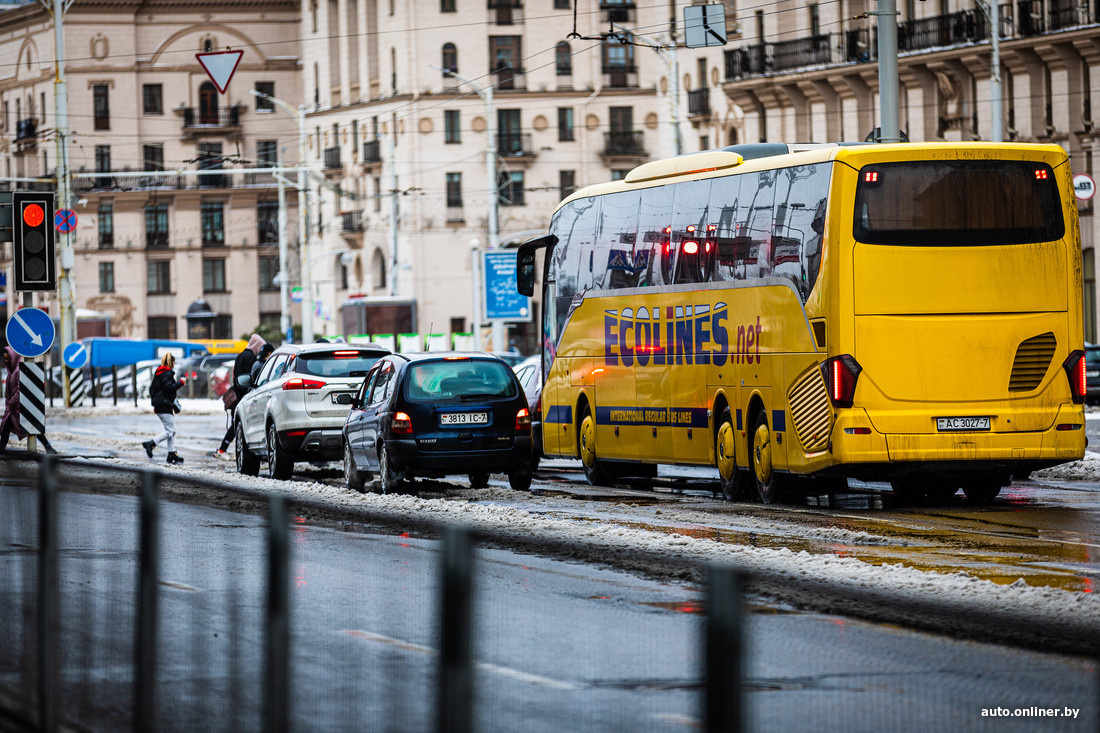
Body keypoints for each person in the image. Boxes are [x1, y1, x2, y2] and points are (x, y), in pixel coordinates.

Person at [214, 334, 267, 459]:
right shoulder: (250, 358)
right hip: (244, 395)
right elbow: (250, 377)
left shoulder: (240, 355)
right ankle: (222, 450)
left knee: (236, 423)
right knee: (238, 424)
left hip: (237, 393)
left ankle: (226, 450)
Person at [0, 346, 57, 454]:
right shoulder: (11, 372)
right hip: (14, 408)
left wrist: (12, 402)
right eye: (5, 359)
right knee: (7, 429)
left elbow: (20, 389)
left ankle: (48, 447)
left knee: (31, 427)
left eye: (8, 359)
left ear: (13, 358)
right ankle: (2, 450)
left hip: (19, 407)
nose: (6, 361)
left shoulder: (17, 371)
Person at [142, 352, 185, 464]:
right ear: (170, 362)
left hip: (161, 404)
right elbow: (169, 388)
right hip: (164, 405)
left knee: (171, 430)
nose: (174, 364)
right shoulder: (166, 374)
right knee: (171, 430)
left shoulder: (159, 373)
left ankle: (172, 454)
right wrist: (180, 383)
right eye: (173, 362)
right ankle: (151, 443)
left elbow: (153, 390)